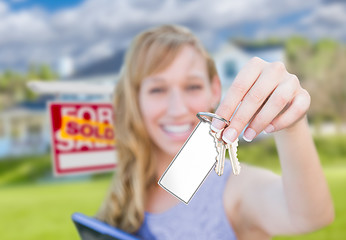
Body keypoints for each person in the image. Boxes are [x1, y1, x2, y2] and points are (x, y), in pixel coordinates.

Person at [96, 25, 334, 239]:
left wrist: (289, 124)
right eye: (157, 89)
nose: (177, 109)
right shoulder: (130, 183)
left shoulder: (234, 189)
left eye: (192, 86)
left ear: (215, 90)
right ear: (135, 99)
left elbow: (309, 216)